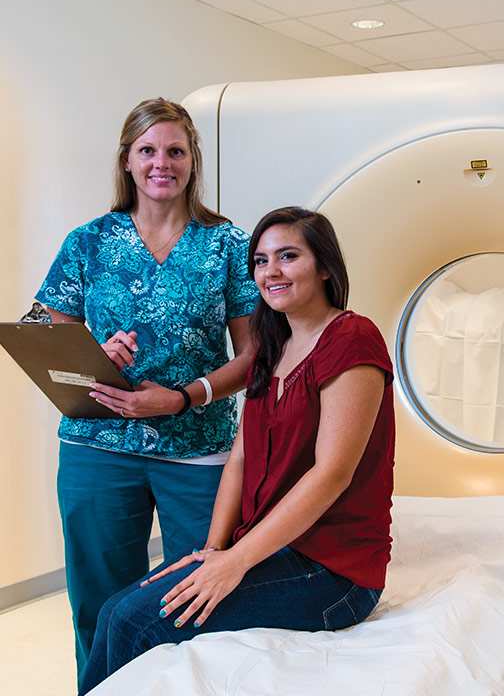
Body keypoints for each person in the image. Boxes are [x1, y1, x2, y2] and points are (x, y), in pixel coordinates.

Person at [79, 205, 395, 695]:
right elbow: (242, 458)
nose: (270, 271)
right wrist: (214, 549)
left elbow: (332, 473)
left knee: (136, 625)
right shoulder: (273, 346)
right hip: (272, 545)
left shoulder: (352, 339)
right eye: (261, 261)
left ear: (326, 266)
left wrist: (237, 561)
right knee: (115, 611)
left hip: (335, 571)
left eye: (288, 256)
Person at [35, 97, 259, 688]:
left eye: (175, 151)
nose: (163, 163)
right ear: (128, 161)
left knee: (199, 599)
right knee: (99, 601)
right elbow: (39, 332)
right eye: (148, 151)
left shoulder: (228, 245)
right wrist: (92, 354)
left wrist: (186, 396)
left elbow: (256, 355)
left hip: (199, 447)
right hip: (97, 446)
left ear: (193, 161)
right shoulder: (89, 242)